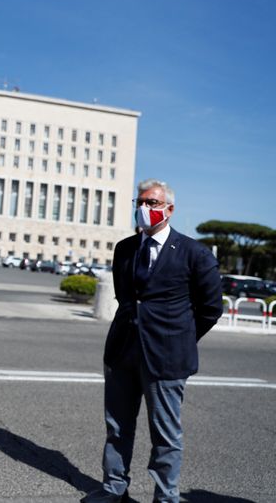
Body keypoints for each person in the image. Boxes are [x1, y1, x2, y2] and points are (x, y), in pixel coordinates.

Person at [82, 179, 223, 503]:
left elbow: (211, 309)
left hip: (167, 359)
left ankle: (166, 496)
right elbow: (125, 297)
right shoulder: (125, 249)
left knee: (165, 435)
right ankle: (113, 488)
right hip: (122, 353)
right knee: (117, 427)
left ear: (169, 209)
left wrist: (180, 339)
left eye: (153, 203)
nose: (145, 209)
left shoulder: (194, 254)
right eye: (140, 202)